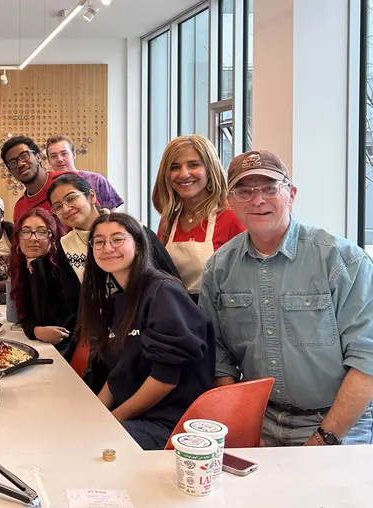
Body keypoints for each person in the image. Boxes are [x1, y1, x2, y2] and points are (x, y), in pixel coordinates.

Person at [200, 150, 373, 446]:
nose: (258, 199)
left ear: (291, 194)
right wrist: (242, 419)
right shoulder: (219, 268)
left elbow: (371, 360)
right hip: (261, 420)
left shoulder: (342, 261)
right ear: (230, 202)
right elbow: (218, 355)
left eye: (269, 188)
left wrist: (324, 438)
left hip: (339, 423)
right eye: (244, 190)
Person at [79, 213, 215, 450]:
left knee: (86, 446)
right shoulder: (118, 300)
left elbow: (165, 380)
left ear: (139, 245)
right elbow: (119, 375)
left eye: (117, 239)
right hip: (138, 416)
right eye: (99, 242)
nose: (107, 248)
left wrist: (113, 419)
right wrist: (95, 412)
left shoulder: (163, 292)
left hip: (172, 423)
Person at [48, 174, 179, 385]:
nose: (66, 208)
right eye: (58, 206)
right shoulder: (65, 245)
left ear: (91, 195)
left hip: (147, 327)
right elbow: (75, 299)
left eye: (71, 198)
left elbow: (169, 278)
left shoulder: (132, 231)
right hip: (102, 332)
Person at [152, 135, 246, 297]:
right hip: (177, 315)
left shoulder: (232, 217)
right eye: (174, 167)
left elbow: (246, 280)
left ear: (210, 169)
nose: (183, 174)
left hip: (219, 317)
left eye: (193, 165)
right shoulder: (169, 221)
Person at [7, 208, 72, 352]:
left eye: (42, 232)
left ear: (53, 237)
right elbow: (23, 314)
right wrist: (35, 330)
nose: (33, 238)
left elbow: (50, 318)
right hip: (39, 342)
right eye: (26, 232)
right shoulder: (22, 265)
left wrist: (38, 266)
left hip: (64, 347)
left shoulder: (64, 269)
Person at [44, 135, 124, 209]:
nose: (59, 159)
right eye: (53, 156)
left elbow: (112, 214)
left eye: (64, 154)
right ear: (49, 160)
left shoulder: (97, 180)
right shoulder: (47, 188)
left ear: (74, 155)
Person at [1, 136, 67, 220]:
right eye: (13, 163)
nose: (20, 164)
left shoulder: (66, 179)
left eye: (24, 156)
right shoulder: (20, 208)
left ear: (38, 157)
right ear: (11, 172)